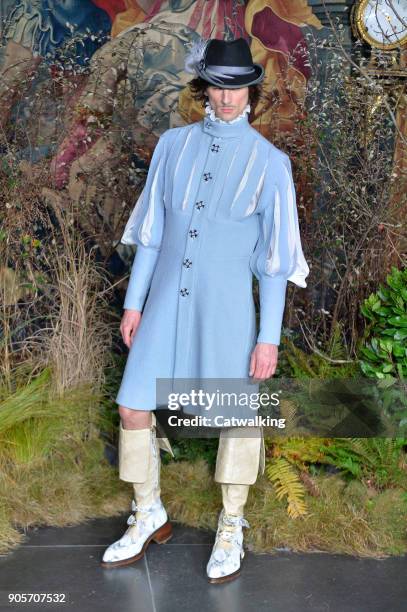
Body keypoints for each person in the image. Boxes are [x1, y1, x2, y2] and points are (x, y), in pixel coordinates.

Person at [101, 37, 309, 583]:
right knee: (133, 406)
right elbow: (151, 233)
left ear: (251, 92)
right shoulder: (171, 145)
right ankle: (149, 511)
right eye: (218, 86)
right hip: (165, 300)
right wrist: (134, 302)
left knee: (236, 416)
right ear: (204, 88)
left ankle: (232, 523)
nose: (227, 99)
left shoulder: (271, 164)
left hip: (226, 309)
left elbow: (275, 262)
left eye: (237, 87)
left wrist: (269, 337)